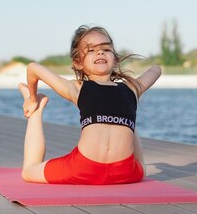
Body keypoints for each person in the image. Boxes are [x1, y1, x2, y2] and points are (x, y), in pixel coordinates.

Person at [18, 24, 161, 184]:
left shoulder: (131, 88)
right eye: (91, 50)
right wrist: (32, 99)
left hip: (124, 171)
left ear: (115, 59)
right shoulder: (77, 88)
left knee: (128, 110)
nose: (100, 52)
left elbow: (156, 69)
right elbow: (33, 68)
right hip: (83, 167)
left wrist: (131, 98)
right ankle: (36, 111)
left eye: (106, 49)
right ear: (78, 63)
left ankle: (128, 117)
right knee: (28, 173)